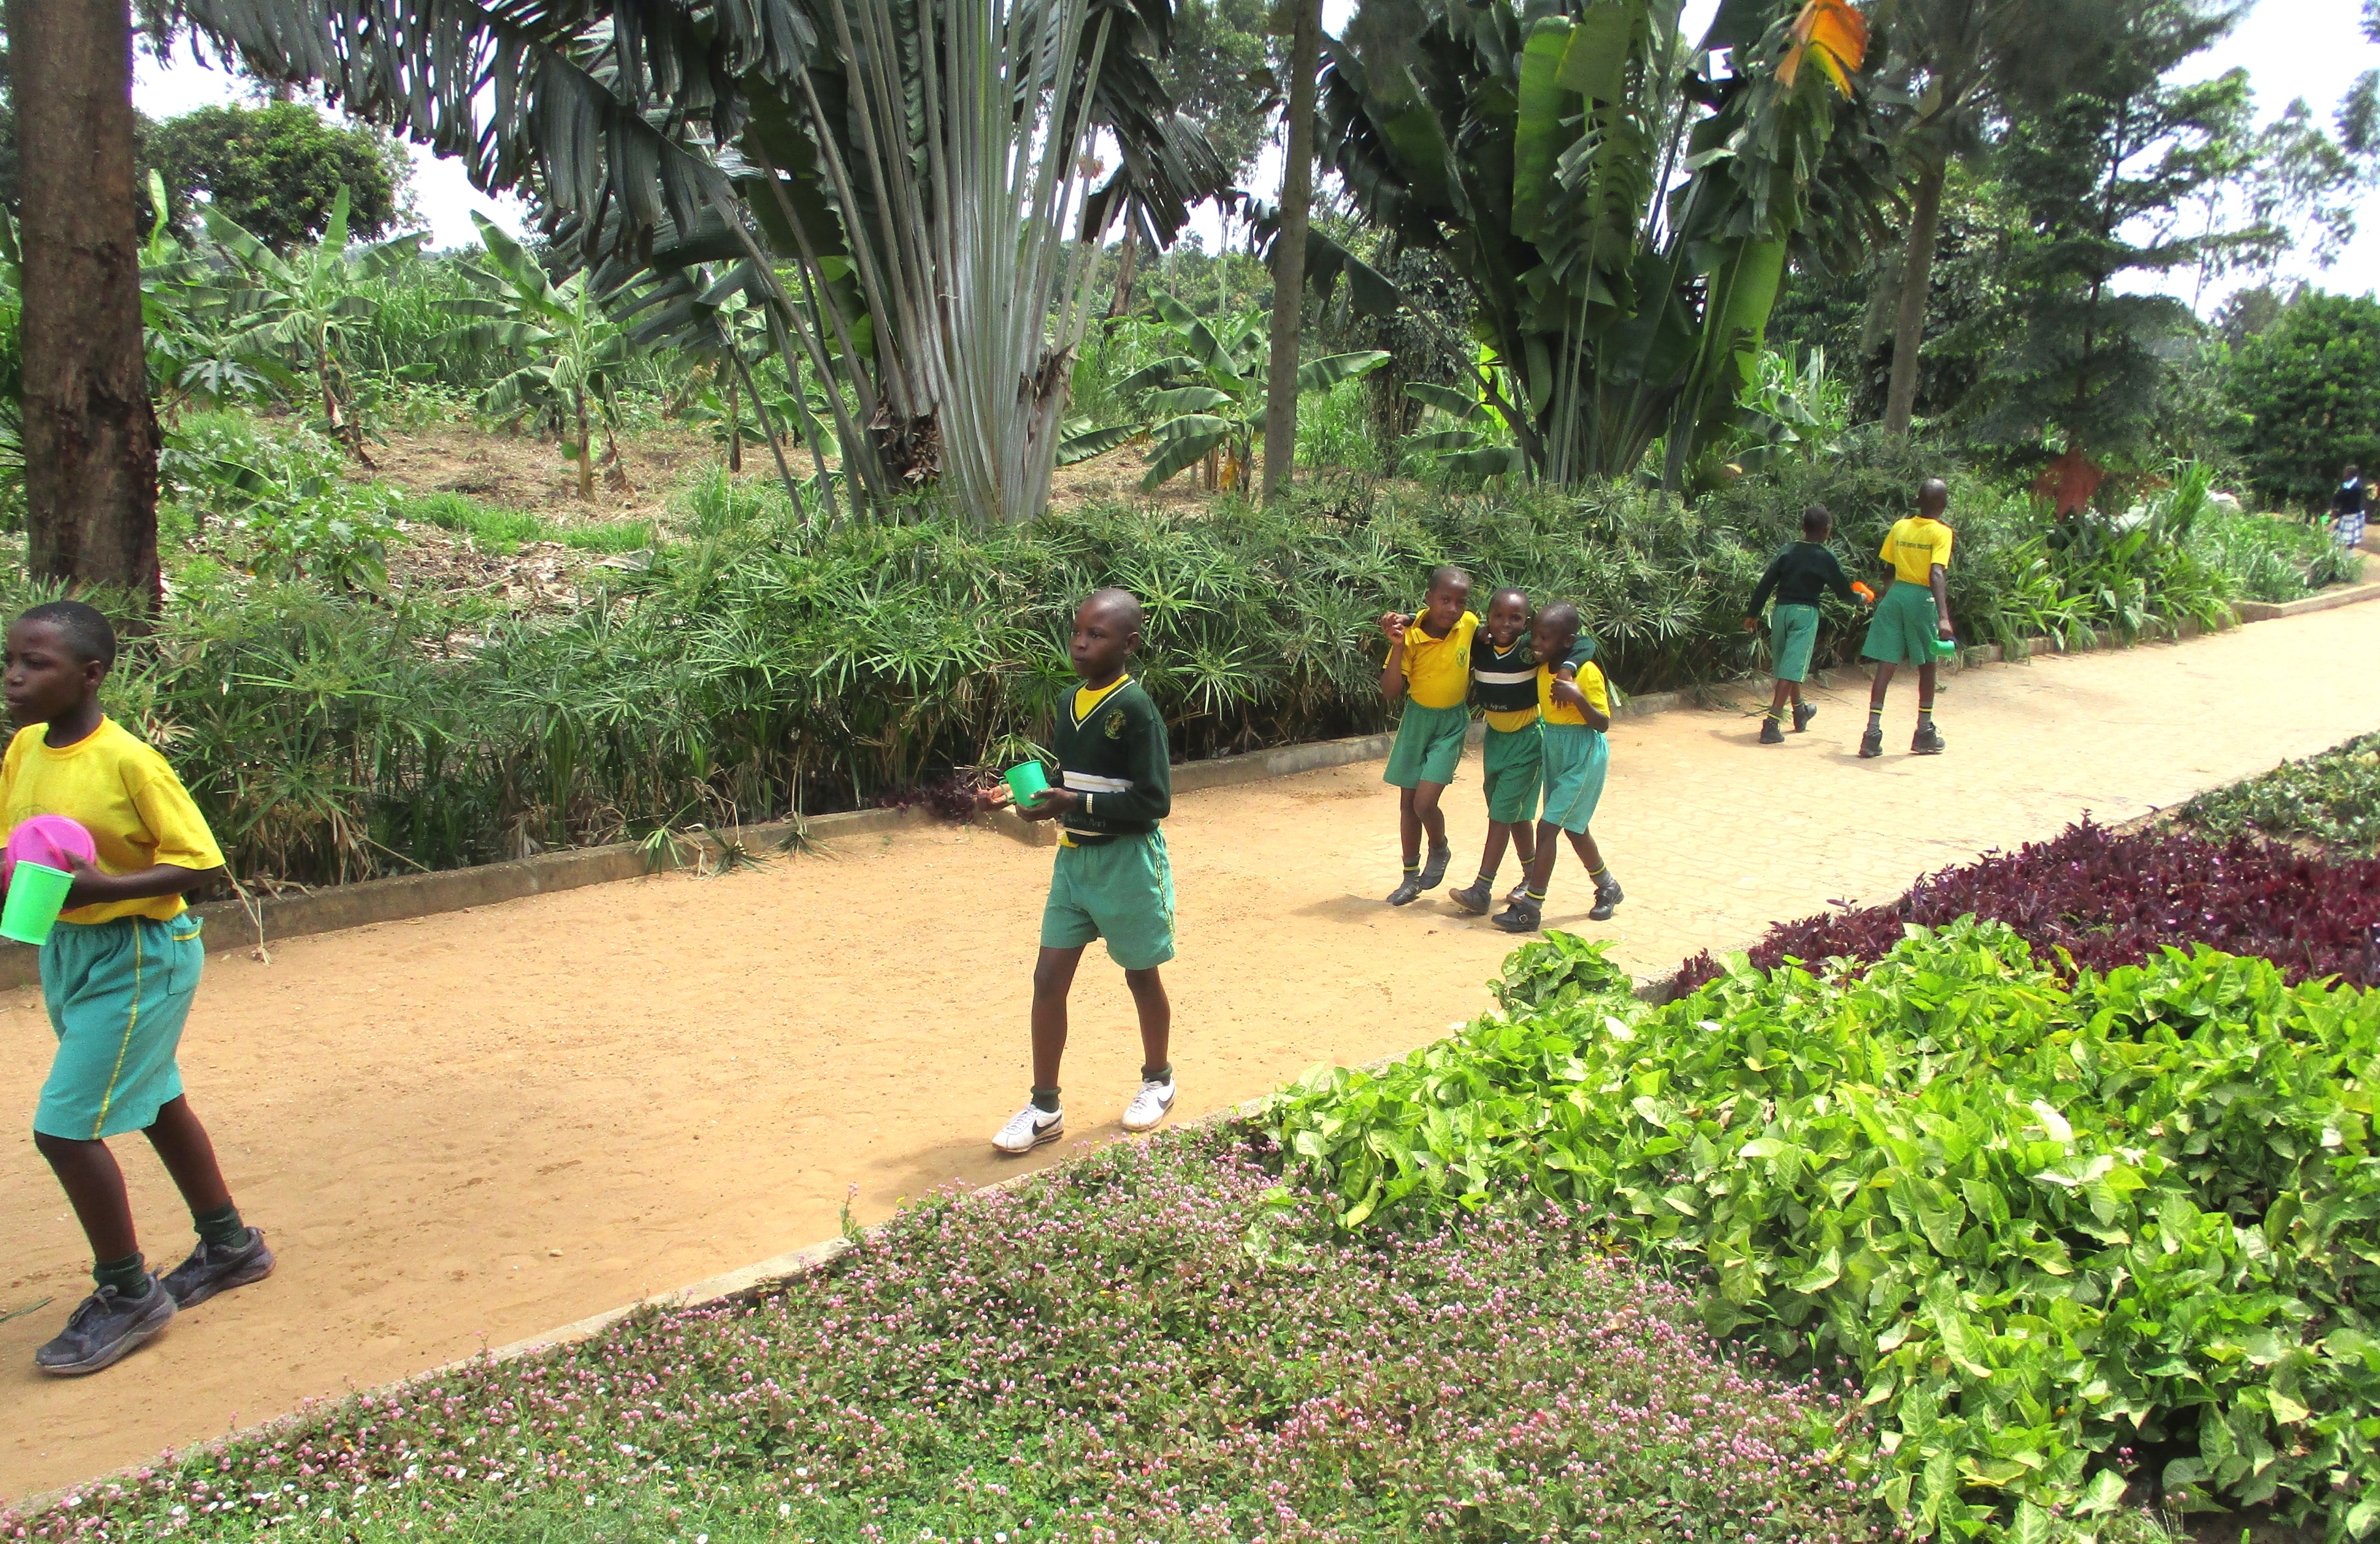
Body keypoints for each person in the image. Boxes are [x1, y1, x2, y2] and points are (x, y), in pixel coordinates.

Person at [5, 600, 272, 1376]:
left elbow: (199, 864)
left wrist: (98, 888)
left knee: (64, 1126)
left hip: (138, 953)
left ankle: (127, 1293)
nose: (16, 676)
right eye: (12, 659)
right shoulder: (24, 749)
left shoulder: (128, 760)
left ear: (90, 674)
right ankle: (229, 1245)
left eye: (37, 664)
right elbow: (21, 847)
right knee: (153, 1100)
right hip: (70, 949)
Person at [995, 589, 1176, 1154]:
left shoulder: (1136, 708)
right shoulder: (1069, 700)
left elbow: (1154, 801)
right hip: (1073, 862)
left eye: (1096, 634)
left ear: (1129, 644)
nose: (1079, 642)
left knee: (1140, 976)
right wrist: (1016, 797)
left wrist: (1073, 803)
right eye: (1077, 630)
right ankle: (1044, 1106)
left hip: (1127, 862)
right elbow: (1070, 777)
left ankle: (1158, 1079)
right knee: (1048, 980)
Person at [1447, 587, 1596, 914]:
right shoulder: (1479, 644)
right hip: (1495, 740)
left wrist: (1568, 668)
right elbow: (1445, 628)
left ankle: (1481, 889)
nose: (1505, 624)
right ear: (1487, 618)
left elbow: (1585, 642)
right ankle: (1530, 875)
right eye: (1497, 616)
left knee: (1501, 814)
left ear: (1527, 623)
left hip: (1527, 740)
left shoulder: (1531, 649)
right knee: (1512, 816)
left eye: (1515, 619)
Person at [1494, 603, 1621, 934]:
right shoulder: (1542, 665)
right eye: (1535, 636)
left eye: (1546, 638)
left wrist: (1578, 697)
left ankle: (1531, 908)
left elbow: (1603, 723)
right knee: (1575, 828)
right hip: (1555, 749)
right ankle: (1608, 885)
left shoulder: (1586, 671)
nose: (1537, 644)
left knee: (1547, 828)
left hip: (1582, 753)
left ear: (1567, 642)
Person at [1377, 566, 1476, 906]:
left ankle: (1440, 847)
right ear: (1429, 599)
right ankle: (1409, 878)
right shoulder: (1410, 637)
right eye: (1445, 600)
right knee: (1407, 804)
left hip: (1451, 725)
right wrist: (1398, 647)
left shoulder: (1470, 625)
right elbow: (1390, 692)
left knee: (1425, 802)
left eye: (1460, 602)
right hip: (1417, 722)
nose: (1452, 608)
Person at [1743, 504, 1868, 745]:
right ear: (1826, 530)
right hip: (1805, 613)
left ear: (1803, 528)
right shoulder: (1824, 557)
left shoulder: (1787, 551)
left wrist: (1753, 613)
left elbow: (1766, 583)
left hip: (1781, 612)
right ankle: (1772, 723)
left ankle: (1800, 712)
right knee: (1792, 668)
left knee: (1787, 666)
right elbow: (1843, 592)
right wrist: (1862, 599)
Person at [1860, 478, 1956, 759]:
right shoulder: (1941, 533)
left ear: (1918, 500)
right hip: (1922, 599)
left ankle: (1872, 734)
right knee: (1927, 664)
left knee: (1885, 666)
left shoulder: (1900, 527)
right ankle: (1924, 732)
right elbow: (1936, 573)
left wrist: (1894, 598)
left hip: (1895, 596)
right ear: (1944, 504)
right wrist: (1943, 618)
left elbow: (1888, 570)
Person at [2333, 465, 2367, 551]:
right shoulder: (2345, 485)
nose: (2344, 475)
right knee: (2340, 536)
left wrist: (2339, 513)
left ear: (2351, 475)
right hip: (2345, 513)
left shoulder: (2356, 487)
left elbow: (2350, 502)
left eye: (2346, 473)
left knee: (2350, 539)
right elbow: (2338, 497)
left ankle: (2348, 558)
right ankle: (2341, 557)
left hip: (2352, 514)